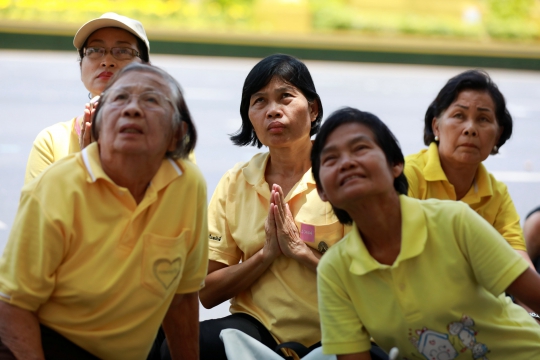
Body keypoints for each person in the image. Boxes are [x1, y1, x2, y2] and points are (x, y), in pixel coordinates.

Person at [0, 63, 207, 360]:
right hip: (40, 343)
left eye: (151, 100)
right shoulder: (57, 186)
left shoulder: (187, 185)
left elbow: (182, 297)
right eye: (120, 98)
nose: (132, 109)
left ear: (177, 134)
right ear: (96, 124)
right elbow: (13, 305)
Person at [312, 107, 540, 360]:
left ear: (396, 165)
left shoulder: (454, 221)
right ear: (322, 190)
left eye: (360, 149)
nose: (346, 162)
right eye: (330, 159)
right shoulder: (334, 271)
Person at [162, 54, 346, 360]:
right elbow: (208, 292)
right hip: (256, 327)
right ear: (249, 117)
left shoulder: (342, 175)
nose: (273, 110)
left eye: (285, 97)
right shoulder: (236, 182)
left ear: (312, 109)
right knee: (176, 348)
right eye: (259, 101)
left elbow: (370, 281)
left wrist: (300, 252)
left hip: (336, 327)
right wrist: (265, 255)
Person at [403, 69, 538, 315]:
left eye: (484, 119)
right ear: (436, 126)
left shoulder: (496, 193)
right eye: (458, 115)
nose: (470, 129)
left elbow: (518, 262)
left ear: (497, 135)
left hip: (479, 319)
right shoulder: (408, 176)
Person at [24, 12, 150, 184]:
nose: (107, 61)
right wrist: (87, 167)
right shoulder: (52, 142)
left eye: (123, 51)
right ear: (81, 65)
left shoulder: (167, 139)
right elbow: (39, 210)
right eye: (94, 50)